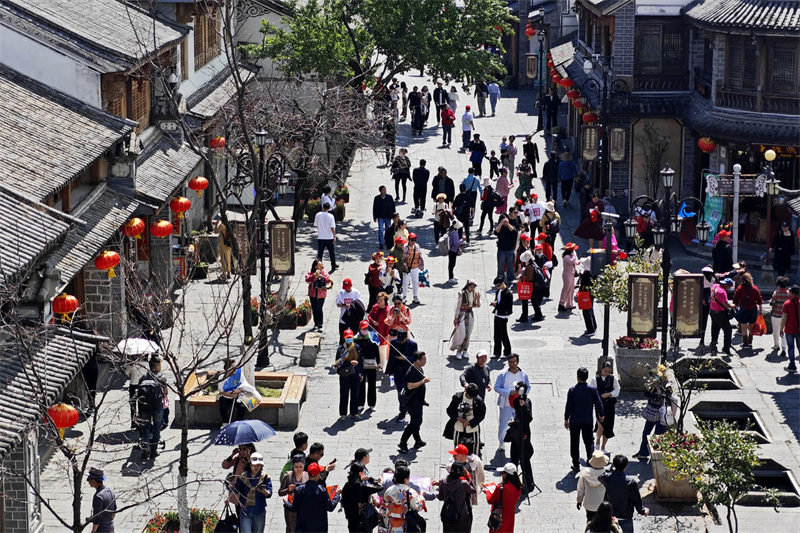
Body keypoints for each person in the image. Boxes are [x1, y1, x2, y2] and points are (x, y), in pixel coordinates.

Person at [633, 365, 678, 460]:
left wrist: (658, 388)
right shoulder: (652, 384)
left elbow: (665, 397)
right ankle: (643, 452)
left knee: (659, 435)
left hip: (661, 414)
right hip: (651, 412)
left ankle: (657, 454)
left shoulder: (667, 385)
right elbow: (646, 395)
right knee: (646, 432)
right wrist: (650, 387)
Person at [565, 367, 605, 472]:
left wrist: (566, 419)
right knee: (589, 441)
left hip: (575, 420)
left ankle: (576, 464)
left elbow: (568, 406)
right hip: (587, 420)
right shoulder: (592, 390)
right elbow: (598, 403)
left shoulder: (572, 390)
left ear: (577, 377)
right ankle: (590, 461)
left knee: (574, 442)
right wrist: (600, 414)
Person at [599, 455, 649, 533]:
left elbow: (600, 477)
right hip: (625, 516)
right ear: (626, 466)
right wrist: (642, 510)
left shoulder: (608, 478)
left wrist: (611, 469)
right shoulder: (630, 481)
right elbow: (635, 499)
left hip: (611, 515)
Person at [288, 462, 341, 533]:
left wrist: (285, 502)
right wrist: (337, 495)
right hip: (319, 528)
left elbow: (294, 508)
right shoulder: (322, 490)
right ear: (317, 475)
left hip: (303, 528)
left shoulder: (299, 489)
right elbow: (330, 507)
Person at [494, 354, 530, 447]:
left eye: (514, 362)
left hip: (519, 403)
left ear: (517, 362)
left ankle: (517, 440)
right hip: (506, 403)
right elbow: (497, 387)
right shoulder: (503, 374)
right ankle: (502, 441)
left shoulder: (523, 374)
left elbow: (528, 387)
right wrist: (509, 392)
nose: (512, 364)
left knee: (519, 422)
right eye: (510, 362)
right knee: (503, 423)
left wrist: (522, 396)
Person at [398, 351, 429, 453]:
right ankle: (403, 442)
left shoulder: (419, 369)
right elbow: (409, 386)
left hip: (418, 400)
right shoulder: (412, 372)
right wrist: (422, 382)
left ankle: (417, 440)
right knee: (415, 422)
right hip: (412, 402)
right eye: (423, 359)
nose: (425, 361)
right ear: (417, 360)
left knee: (418, 421)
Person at [233, 452, 272, 533]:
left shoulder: (265, 477)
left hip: (259, 510)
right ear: (250, 464)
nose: (256, 467)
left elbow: (270, 492)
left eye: (258, 465)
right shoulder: (243, 476)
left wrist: (265, 492)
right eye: (254, 465)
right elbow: (237, 490)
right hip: (245, 510)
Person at [506, 382, 534, 491]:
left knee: (524, 459)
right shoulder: (517, 401)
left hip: (524, 434)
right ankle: (513, 481)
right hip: (516, 434)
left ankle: (529, 484)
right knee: (514, 458)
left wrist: (524, 407)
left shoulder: (526, 402)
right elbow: (517, 414)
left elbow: (528, 419)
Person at [137, 356, 165, 460]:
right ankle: (154, 451)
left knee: (145, 428)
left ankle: (146, 450)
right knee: (157, 428)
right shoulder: (161, 377)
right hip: (157, 406)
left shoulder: (143, 377)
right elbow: (165, 393)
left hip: (145, 408)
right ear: (157, 365)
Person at [444, 383, 486, 454]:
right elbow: (450, 410)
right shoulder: (457, 398)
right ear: (466, 392)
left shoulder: (478, 400)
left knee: (475, 449)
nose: (471, 398)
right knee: (457, 449)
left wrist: (470, 422)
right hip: (459, 427)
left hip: (473, 428)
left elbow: (481, 415)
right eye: (470, 397)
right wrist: (458, 418)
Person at [381, 466, 425, 533]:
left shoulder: (389, 491)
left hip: (392, 525)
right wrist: (421, 497)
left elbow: (384, 508)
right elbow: (417, 507)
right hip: (405, 527)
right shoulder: (411, 493)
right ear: (406, 479)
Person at [386, 329, 418, 421]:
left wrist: (406, 358)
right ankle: (404, 407)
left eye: (402, 339)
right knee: (400, 390)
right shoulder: (394, 342)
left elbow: (415, 358)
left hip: (407, 371)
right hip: (397, 370)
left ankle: (402, 412)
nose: (400, 341)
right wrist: (390, 371)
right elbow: (391, 356)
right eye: (399, 339)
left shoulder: (412, 345)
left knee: (403, 391)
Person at [342, 463, 383, 533]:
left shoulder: (347, 485)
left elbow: (343, 501)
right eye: (364, 471)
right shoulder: (363, 487)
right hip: (363, 520)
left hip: (351, 519)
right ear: (360, 473)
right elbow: (380, 487)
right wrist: (370, 479)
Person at [437, 461, 476, 532]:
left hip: (448, 515)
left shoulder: (443, 482)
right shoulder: (464, 483)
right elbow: (473, 490)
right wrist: (469, 478)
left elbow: (440, 497)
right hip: (462, 517)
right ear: (461, 473)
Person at [590, 361, 620, 452]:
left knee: (608, 426)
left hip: (610, 406)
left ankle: (603, 446)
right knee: (600, 426)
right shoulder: (595, 379)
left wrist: (609, 394)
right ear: (601, 369)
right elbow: (592, 392)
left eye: (609, 371)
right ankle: (597, 443)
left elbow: (617, 390)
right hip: (600, 406)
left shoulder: (612, 378)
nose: (607, 373)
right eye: (605, 371)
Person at [486, 463, 522, 533]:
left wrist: (487, 492)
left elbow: (490, 500)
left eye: (502, 473)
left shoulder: (500, 488)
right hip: (510, 518)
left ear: (506, 475)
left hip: (498, 517)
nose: (501, 475)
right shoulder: (518, 488)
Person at [450, 279, 481, 358]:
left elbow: (477, 305)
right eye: (471, 287)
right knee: (462, 333)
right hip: (462, 315)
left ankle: (465, 350)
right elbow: (458, 307)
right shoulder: (462, 294)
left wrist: (477, 299)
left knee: (468, 333)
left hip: (470, 315)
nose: (472, 289)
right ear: (467, 286)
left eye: (473, 287)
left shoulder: (474, 294)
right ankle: (459, 350)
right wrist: (456, 317)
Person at [224, 443, 256, 516]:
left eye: (244, 449)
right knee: (240, 518)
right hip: (236, 493)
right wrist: (232, 455)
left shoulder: (254, 460)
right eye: (240, 449)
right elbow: (224, 466)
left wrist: (248, 460)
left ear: (249, 448)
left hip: (248, 495)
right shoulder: (238, 458)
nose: (242, 451)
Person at [577, 451, 610, 522]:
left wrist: (579, 501)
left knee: (590, 521)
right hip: (603, 504)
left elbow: (580, 489)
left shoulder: (585, 474)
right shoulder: (607, 474)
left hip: (589, 504)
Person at [355, 321, 381, 411]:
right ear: (360, 329)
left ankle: (372, 404)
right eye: (363, 329)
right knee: (361, 384)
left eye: (366, 328)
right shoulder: (355, 339)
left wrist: (378, 363)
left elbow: (377, 351)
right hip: (360, 364)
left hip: (371, 363)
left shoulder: (373, 338)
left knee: (372, 384)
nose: (365, 330)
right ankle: (360, 403)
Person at [733, 272, 763, 349]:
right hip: (753, 310)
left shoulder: (739, 288)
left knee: (743, 326)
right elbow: (759, 301)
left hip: (743, 310)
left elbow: (735, 300)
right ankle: (750, 339)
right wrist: (760, 311)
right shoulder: (755, 289)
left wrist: (735, 308)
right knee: (751, 326)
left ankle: (745, 342)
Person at [279, 455, 308, 533]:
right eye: (296, 467)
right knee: (291, 529)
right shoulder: (288, 476)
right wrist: (288, 490)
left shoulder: (307, 476)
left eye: (300, 467)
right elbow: (280, 492)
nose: (298, 469)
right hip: (291, 509)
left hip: (303, 508)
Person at [708, 277, 735, 355]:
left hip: (712, 311)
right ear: (727, 285)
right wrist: (733, 306)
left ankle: (713, 346)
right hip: (720, 313)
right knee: (728, 330)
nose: (729, 288)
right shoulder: (722, 292)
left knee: (715, 329)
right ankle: (726, 349)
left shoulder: (715, 286)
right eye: (729, 287)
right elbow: (726, 304)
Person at [516, 250, 544, 323]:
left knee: (527, 301)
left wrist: (522, 276)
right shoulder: (533, 264)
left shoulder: (529, 267)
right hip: (534, 286)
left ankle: (525, 316)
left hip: (530, 286)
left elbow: (529, 277)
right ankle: (537, 315)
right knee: (533, 301)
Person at [490, 277, 514, 359]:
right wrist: (495, 302)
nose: (498, 287)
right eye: (496, 286)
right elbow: (498, 300)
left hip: (503, 315)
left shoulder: (508, 293)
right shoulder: (498, 291)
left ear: (503, 283)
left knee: (503, 334)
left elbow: (506, 306)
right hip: (497, 314)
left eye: (499, 285)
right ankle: (497, 352)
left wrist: (496, 305)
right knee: (496, 334)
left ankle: (507, 352)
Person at [87, 468, 116, 533]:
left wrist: (93, 531)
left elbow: (97, 516)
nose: (88, 481)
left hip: (102, 530)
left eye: (88, 479)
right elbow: (114, 510)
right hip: (111, 528)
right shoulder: (110, 491)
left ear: (94, 480)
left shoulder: (98, 497)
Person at [304, 259, 330, 331]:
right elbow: (307, 280)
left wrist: (322, 277)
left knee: (319, 308)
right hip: (313, 293)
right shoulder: (311, 271)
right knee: (314, 308)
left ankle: (320, 323)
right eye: (319, 265)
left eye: (321, 265)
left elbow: (328, 280)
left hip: (321, 293)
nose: (321, 266)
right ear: (315, 266)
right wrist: (314, 277)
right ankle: (316, 323)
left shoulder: (324, 271)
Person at [336, 279, 365, 343]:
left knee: (355, 334)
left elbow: (360, 304)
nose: (347, 290)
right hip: (344, 317)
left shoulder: (356, 293)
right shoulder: (341, 293)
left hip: (354, 317)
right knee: (342, 336)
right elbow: (338, 304)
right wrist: (344, 305)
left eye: (348, 288)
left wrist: (352, 305)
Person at [780, 284, 800, 373]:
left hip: (790, 329)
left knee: (791, 348)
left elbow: (784, 317)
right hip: (799, 330)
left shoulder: (787, 303)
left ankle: (792, 365)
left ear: (791, 293)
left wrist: (781, 328)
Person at [125, 353, 148, 429]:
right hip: (143, 385)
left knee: (133, 404)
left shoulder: (132, 365)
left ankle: (133, 421)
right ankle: (141, 420)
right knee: (142, 404)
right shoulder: (146, 364)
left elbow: (126, 373)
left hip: (133, 385)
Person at [769, 276, 790, 356]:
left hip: (776, 315)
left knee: (776, 331)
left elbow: (771, 303)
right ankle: (784, 347)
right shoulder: (789, 294)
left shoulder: (776, 293)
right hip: (786, 316)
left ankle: (776, 345)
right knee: (784, 332)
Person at [314, 201, 338, 272]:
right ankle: (333, 266)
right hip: (329, 237)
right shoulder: (331, 216)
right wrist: (334, 236)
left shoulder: (318, 215)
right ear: (329, 208)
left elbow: (316, 225)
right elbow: (332, 227)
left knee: (320, 254)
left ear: (322, 207)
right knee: (331, 253)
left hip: (321, 237)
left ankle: (318, 267)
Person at [401, 233, 424, 304]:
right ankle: (404, 297)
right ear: (409, 240)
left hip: (415, 267)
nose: (413, 241)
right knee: (405, 283)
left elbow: (420, 256)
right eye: (412, 240)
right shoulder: (405, 247)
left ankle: (415, 296)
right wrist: (404, 265)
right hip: (407, 267)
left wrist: (421, 266)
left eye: (415, 240)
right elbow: (403, 258)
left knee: (415, 282)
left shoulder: (417, 246)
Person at [495, 217, 518, 285]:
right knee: (500, 265)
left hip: (510, 249)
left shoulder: (511, 226)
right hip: (501, 249)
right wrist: (501, 223)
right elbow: (496, 232)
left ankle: (510, 278)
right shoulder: (500, 227)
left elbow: (514, 231)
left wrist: (508, 224)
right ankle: (500, 279)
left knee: (510, 265)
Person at [578, 257, 598, 335]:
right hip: (590, 293)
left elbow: (584, 284)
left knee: (586, 311)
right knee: (590, 310)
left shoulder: (587, 274)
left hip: (586, 294)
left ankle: (590, 329)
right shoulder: (593, 272)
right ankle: (593, 327)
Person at [559, 243, 580, 312]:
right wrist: (575, 254)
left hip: (571, 273)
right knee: (566, 288)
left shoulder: (570, 256)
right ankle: (561, 303)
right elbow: (572, 261)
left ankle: (569, 304)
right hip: (567, 274)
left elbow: (575, 262)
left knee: (571, 289)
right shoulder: (566, 257)